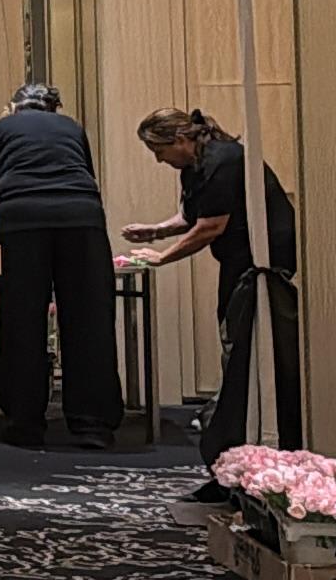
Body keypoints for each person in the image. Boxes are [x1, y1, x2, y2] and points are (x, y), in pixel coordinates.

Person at [126, 106, 303, 496]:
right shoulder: (197, 165)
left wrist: (163, 257)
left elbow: (210, 227)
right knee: (233, 340)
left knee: (246, 349)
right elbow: (193, 215)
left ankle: (251, 445)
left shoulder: (224, 161)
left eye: (159, 150)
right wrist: (155, 231)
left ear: (180, 139)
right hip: (239, 261)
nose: (158, 160)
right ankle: (235, 447)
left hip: (263, 265)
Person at [0, 82, 118, 450]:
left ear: (14, 106)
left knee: (23, 320)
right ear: (53, 107)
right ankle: (93, 424)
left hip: (23, 221)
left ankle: (25, 424)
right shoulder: (72, 128)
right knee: (89, 320)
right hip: (82, 217)